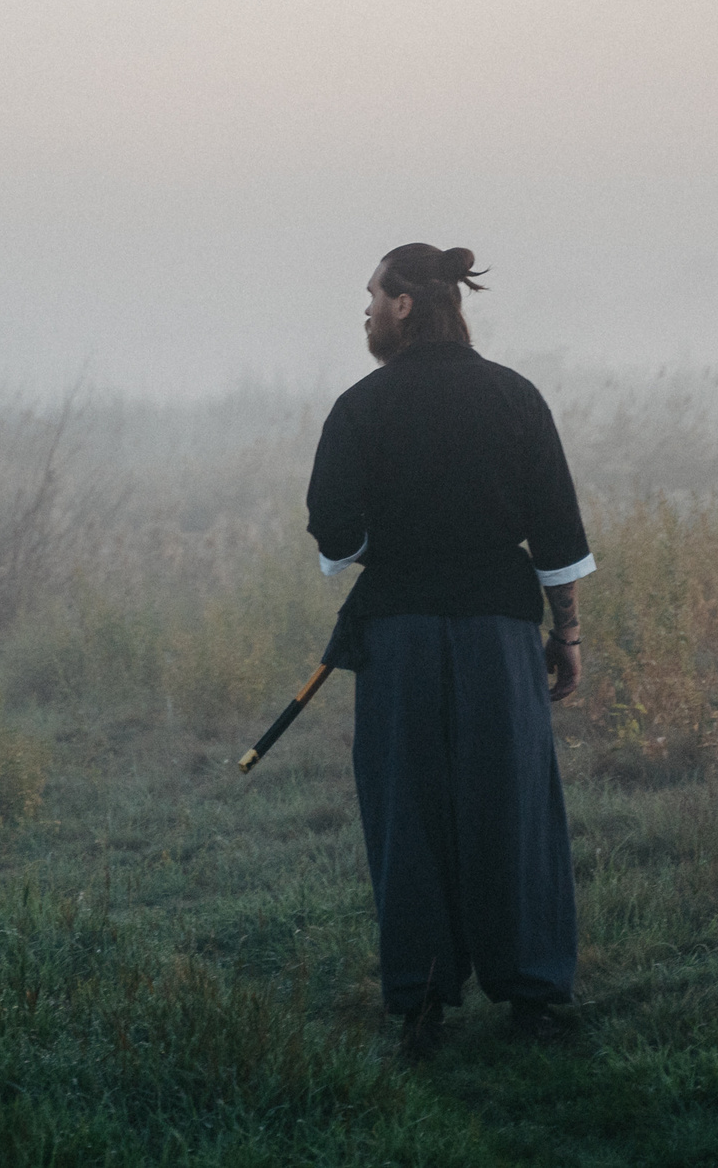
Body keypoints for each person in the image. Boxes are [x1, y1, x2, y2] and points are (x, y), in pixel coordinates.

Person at [306, 243, 592, 1061]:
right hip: (500, 633)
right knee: (513, 810)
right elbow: (558, 536)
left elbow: (337, 537)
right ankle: (533, 999)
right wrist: (564, 634)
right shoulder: (515, 397)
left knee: (409, 814)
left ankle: (424, 1007)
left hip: (398, 636)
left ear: (403, 305)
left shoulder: (359, 408)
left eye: (371, 295)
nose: (364, 309)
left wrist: (386, 538)